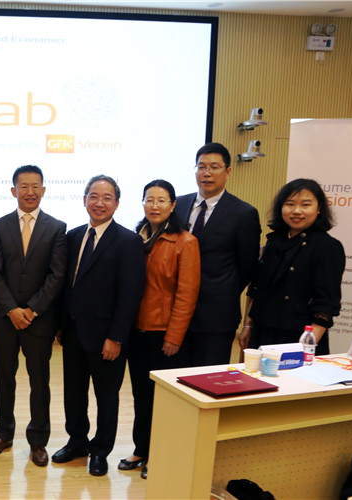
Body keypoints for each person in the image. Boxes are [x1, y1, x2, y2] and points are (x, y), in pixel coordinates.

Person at [53, 175, 146, 477]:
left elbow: (130, 294)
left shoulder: (129, 241)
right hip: (73, 331)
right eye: (93, 196)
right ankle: (77, 442)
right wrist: (60, 325)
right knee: (74, 393)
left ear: (117, 203)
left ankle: (100, 450)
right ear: (84, 200)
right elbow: (67, 285)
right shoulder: (73, 236)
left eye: (107, 197)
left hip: (107, 337)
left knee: (106, 397)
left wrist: (116, 337)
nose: (99, 203)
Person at [0, 165, 67, 467]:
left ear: (43, 190)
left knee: (39, 382)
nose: (30, 192)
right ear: (13, 190)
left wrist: (31, 309)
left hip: (39, 320)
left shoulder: (57, 228)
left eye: (35, 186)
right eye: (24, 186)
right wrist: (12, 309)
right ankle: (3, 434)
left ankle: (38, 441)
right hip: (4, 319)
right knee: (4, 379)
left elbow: (57, 275)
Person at [121, 179, 200, 479]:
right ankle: (141, 449)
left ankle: (162, 454)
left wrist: (174, 336)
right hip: (136, 332)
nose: (154, 206)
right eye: (149, 200)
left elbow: (186, 294)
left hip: (165, 334)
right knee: (141, 395)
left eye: (161, 200)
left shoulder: (185, 241)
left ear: (173, 205)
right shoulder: (136, 239)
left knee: (165, 401)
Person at [173, 143, 260, 367]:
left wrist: (220, 290)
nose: (207, 173)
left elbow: (247, 267)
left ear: (228, 171)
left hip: (216, 316)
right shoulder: (178, 205)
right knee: (173, 376)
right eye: (201, 167)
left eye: (214, 167)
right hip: (175, 313)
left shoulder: (244, 214)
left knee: (207, 377)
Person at [241, 178, 345, 353]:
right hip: (263, 330)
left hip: (299, 337)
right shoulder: (274, 241)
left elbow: (326, 305)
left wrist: (306, 348)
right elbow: (257, 289)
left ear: (319, 208)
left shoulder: (327, 247)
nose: (297, 211)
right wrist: (247, 326)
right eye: (290, 204)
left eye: (305, 205)